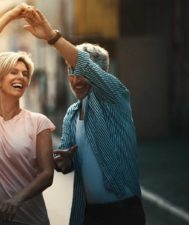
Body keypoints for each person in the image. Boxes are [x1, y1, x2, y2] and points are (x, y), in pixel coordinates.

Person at [23, 8, 146, 225]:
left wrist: (52, 36)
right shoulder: (71, 114)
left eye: (81, 72)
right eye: (71, 71)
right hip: (88, 212)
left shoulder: (114, 97)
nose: (76, 79)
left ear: (100, 75)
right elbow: (68, 163)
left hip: (123, 210)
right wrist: (64, 161)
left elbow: (85, 65)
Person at [0, 4, 55, 225]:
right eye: (13, 72)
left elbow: (47, 174)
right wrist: (9, 17)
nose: (21, 77)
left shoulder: (38, 122)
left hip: (30, 218)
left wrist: (18, 199)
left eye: (25, 74)